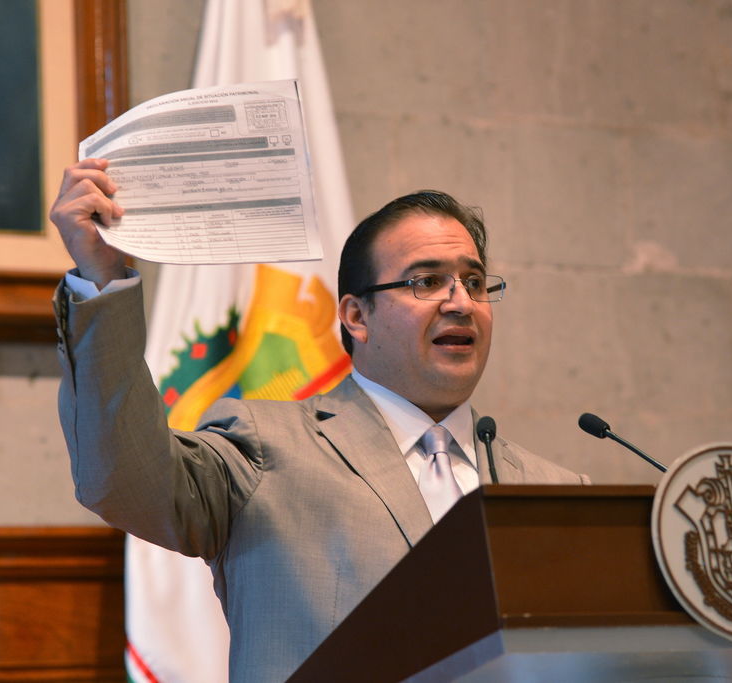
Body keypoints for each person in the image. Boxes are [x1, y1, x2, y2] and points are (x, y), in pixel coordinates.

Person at [50, 158, 587, 682]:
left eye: (474, 281)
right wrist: (101, 278)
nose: (461, 302)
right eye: (426, 282)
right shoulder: (265, 450)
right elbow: (124, 478)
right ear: (356, 316)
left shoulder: (559, 495)